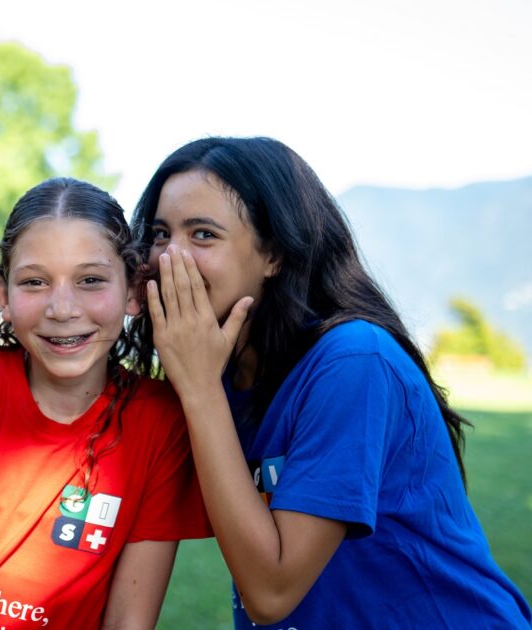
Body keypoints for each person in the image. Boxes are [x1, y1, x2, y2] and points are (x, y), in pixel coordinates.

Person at [135, 136, 532, 628]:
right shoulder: (217, 372)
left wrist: (198, 389)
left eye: (203, 235)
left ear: (274, 254)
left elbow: (271, 592)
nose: (170, 257)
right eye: (159, 233)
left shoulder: (353, 362)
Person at [0, 177, 210, 629]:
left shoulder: (159, 420)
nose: (62, 308)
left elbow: (129, 621)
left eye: (90, 280)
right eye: (35, 282)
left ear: (134, 289)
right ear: (3, 294)